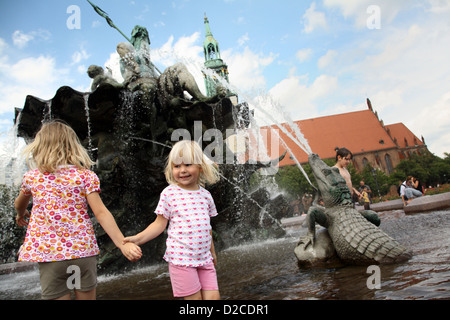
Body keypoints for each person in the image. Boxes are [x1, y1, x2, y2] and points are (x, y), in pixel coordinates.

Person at [14, 121, 142, 300]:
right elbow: (101, 212)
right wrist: (122, 243)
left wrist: (21, 214)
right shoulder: (85, 176)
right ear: (73, 147)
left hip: (50, 255)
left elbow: (19, 203)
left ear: (40, 147)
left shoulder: (32, 177)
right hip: (82, 252)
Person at [123, 140, 221, 300]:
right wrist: (137, 238)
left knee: (214, 297)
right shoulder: (169, 194)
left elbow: (206, 226)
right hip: (182, 258)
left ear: (200, 166)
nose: (182, 170)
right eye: (177, 166)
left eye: (188, 164)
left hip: (204, 258)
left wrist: (212, 252)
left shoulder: (205, 195)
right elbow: (158, 224)